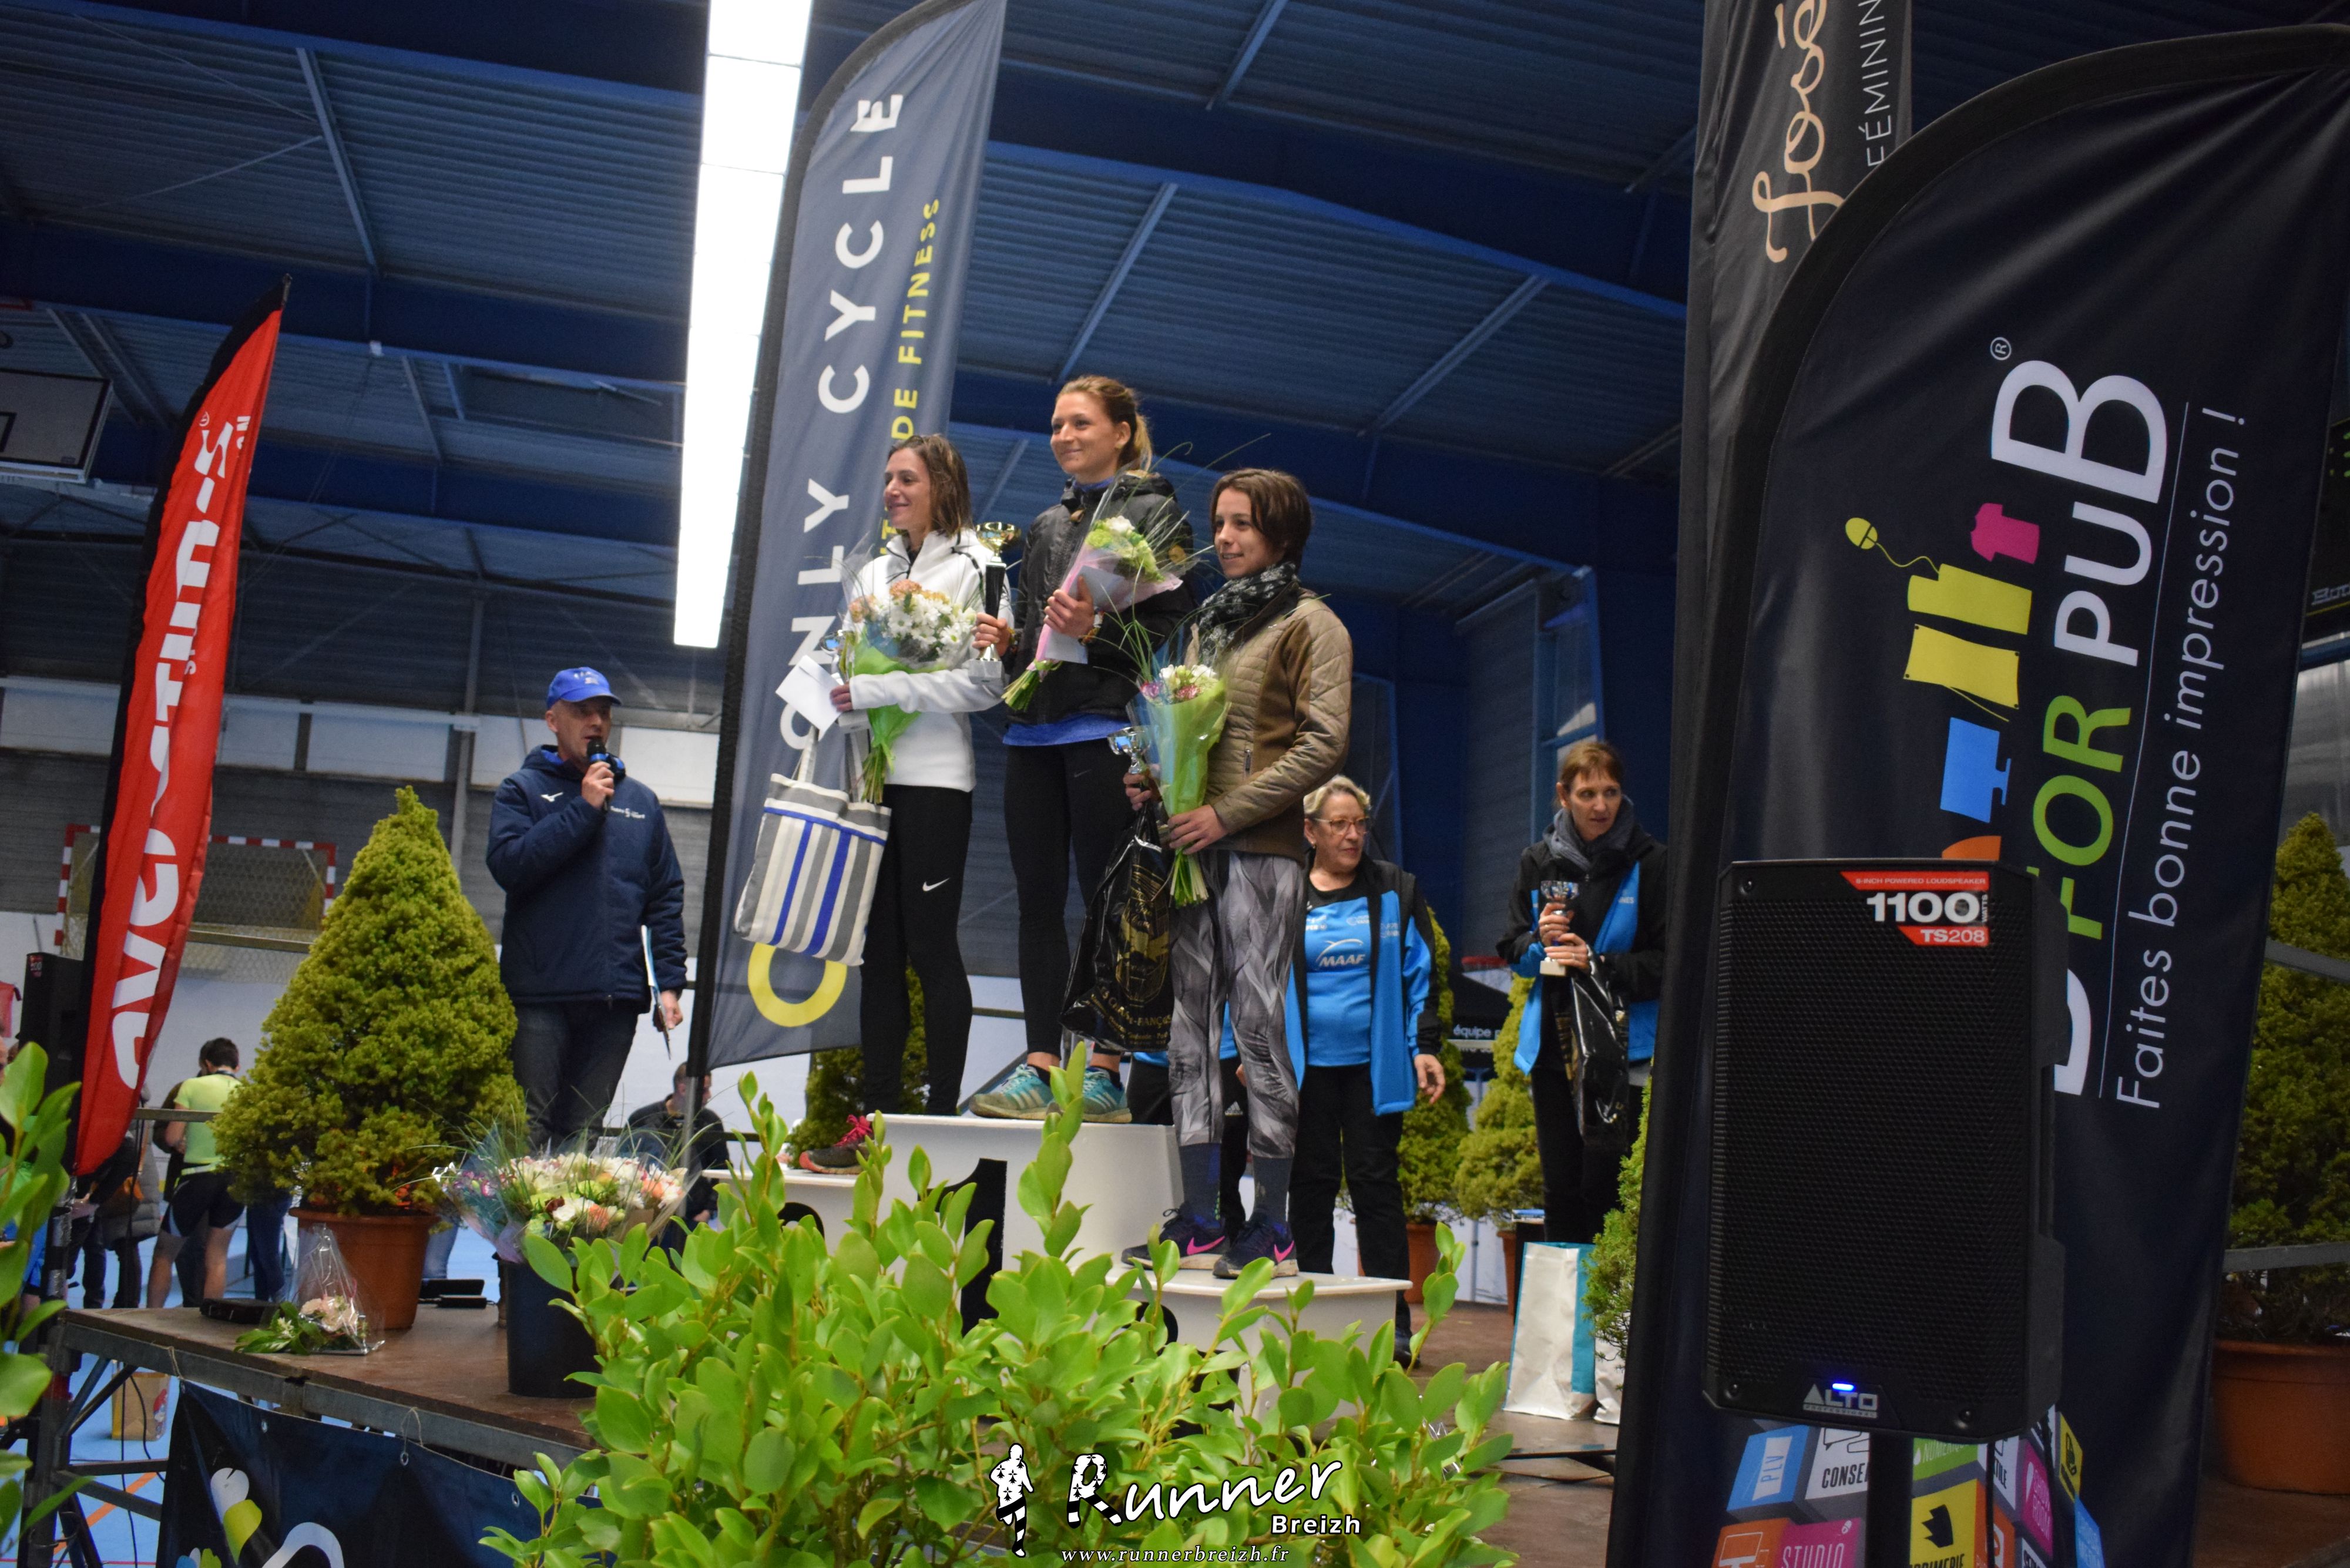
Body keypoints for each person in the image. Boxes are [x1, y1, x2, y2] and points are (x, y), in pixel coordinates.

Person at [1114, 468, 1352, 1279]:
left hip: (1262, 852)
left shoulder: (1314, 624)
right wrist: (1157, 776)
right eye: (1220, 522)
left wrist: (1228, 811)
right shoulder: (1206, 629)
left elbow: (1324, 743)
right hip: (1194, 847)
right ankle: (1201, 1217)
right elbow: (1192, 731)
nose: (1224, 536)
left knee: (1256, 1025)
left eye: (1243, 523)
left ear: (1282, 532)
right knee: (1187, 1030)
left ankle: (1274, 1227)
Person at [972, 376, 1197, 1124]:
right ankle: (1039, 1063)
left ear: (1122, 432)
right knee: (1036, 900)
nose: (1063, 436)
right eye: (1056, 425)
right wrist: (1010, 641)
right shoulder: (1044, 525)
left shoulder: (1157, 515)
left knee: (1111, 901)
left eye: (1080, 423)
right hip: (1032, 729)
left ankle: (1104, 1066)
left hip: (1106, 725)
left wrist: (1095, 630)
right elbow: (1037, 632)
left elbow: (1170, 626)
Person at [801, 435, 1005, 1171]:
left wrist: (880, 687)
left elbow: (987, 685)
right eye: (888, 477)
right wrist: (837, 688)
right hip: (874, 780)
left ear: (942, 486)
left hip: (937, 784)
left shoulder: (981, 566)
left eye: (907, 478)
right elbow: (850, 666)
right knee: (877, 954)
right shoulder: (871, 572)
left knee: (930, 946)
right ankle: (873, 1123)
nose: (891, 489)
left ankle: (940, 1117)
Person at [488, 666, 688, 1149]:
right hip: (540, 995)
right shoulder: (521, 790)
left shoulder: (640, 801)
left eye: (603, 712)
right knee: (527, 1129)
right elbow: (510, 865)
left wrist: (669, 983)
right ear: (553, 720)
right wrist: (583, 808)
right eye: (582, 711)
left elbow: (665, 895)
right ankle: (513, 1206)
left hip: (613, 999)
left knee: (583, 1136)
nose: (596, 721)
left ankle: (570, 1205)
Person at [1285, 776, 1445, 1337]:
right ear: (1311, 831)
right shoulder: (1286, 890)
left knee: (1376, 1186)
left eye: (1359, 824)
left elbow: (1421, 975)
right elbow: (1259, 977)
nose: (1353, 835)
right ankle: (1310, 1318)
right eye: (1339, 825)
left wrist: (1425, 1048)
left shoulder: (1396, 889)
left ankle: (1390, 1321)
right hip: (1305, 1072)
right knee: (1310, 1186)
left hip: (1371, 1071)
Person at [1498, 738, 1666, 1243]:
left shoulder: (1652, 862)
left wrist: (1598, 964)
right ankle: (1567, 1297)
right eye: (1587, 793)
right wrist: (1540, 941)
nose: (1600, 805)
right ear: (1563, 795)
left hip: (1624, 1049)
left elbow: (1669, 962)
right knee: (1561, 1189)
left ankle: (1608, 1296)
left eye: (1610, 792)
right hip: (1554, 1048)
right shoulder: (1537, 861)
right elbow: (1514, 951)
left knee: (1607, 1190)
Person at [153, 1038, 244, 1306]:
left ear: (206, 1064)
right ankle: (212, 1320)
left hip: (197, 1177)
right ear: (237, 1066)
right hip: (234, 1180)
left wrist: (185, 1141)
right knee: (217, 1257)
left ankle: (152, 1317)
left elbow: (171, 1137)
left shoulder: (191, 1086)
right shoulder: (248, 1093)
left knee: (164, 1253)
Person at [627, 1065, 730, 1225]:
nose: (709, 1095)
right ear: (683, 1089)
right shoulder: (643, 1119)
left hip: (694, 1217)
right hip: (649, 1216)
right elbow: (626, 1166)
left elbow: (722, 1169)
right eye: (704, 1090)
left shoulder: (710, 1122)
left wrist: (708, 1211)